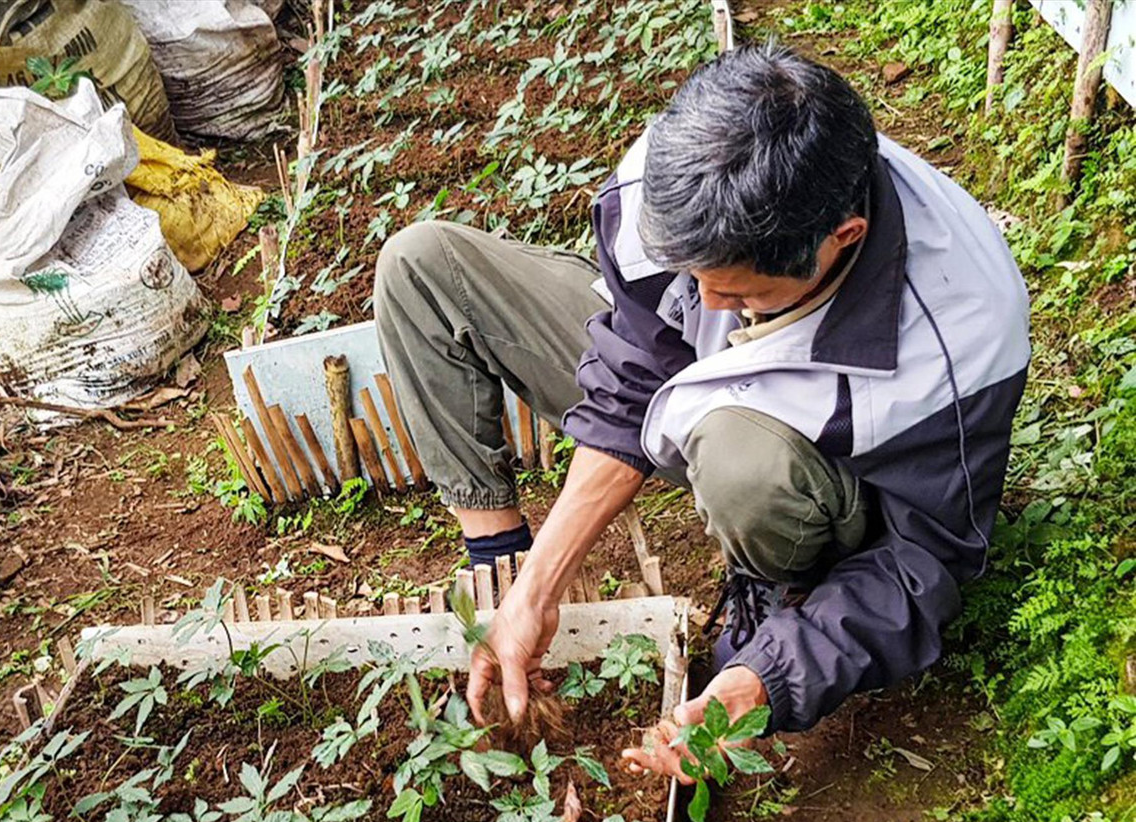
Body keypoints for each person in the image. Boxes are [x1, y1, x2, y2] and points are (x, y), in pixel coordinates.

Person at [372, 44, 1030, 779]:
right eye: (692, 277)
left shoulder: (957, 336)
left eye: (739, 293)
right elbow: (637, 367)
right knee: (421, 265)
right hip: (707, 411)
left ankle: (777, 584)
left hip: (813, 469)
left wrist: (767, 678)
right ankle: (497, 562)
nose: (707, 308)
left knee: (741, 461)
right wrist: (533, 589)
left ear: (840, 240)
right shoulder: (678, 179)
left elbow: (922, 560)